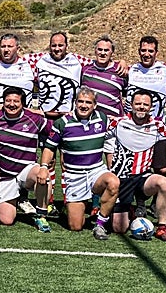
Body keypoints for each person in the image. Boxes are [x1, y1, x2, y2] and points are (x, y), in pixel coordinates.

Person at [39, 87, 119, 239]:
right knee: (76, 226)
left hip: (96, 171)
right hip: (74, 176)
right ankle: (71, 208)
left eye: (88, 102)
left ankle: (100, 224)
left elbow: (118, 134)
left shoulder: (103, 119)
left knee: (113, 182)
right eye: (80, 101)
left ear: (95, 105)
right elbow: (49, 147)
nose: (84, 105)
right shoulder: (62, 123)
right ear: (74, 103)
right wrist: (43, 167)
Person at [104, 91, 166, 241]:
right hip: (122, 179)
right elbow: (96, 131)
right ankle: (130, 209)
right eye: (138, 104)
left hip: (143, 177)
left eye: (145, 104)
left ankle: (162, 227)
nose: (141, 107)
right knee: (119, 228)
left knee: (164, 183)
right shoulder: (118, 122)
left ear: (151, 107)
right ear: (131, 105)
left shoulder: (158, 125)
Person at [0, 86, 50, 230]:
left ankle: (41, 217)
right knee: (6, 220)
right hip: (4, 176)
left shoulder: (34, 119)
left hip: (26, 171)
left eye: (16, 101)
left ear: (23, 104)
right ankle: (13, 199)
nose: (11, 104)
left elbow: (56, 132)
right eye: (8, 101)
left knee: (42, 173)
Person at [123, 35, 166, 120]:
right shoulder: (130, 69)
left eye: (150, 51)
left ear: (156, 53)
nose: (146, 54)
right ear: (139, 51)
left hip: (154, 124)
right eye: (143, 50)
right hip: (130, 123)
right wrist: (121, 61)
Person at [79, 35, 127, 119]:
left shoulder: (120, 70)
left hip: (113, 120)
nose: (102, 53)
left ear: (112, 52)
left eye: (106, 50)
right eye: (100, 49)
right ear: (95, 51)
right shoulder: (85, 70)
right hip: (91, 120)